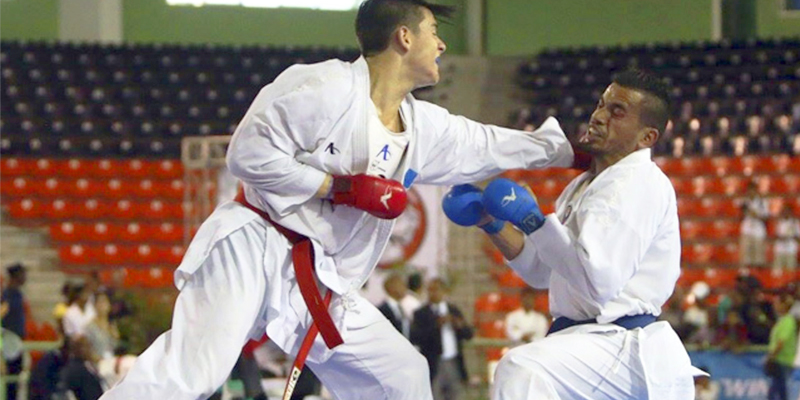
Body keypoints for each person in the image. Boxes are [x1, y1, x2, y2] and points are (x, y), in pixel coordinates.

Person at [99, 1, 580, 399]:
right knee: (193, 373)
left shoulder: (424, 128)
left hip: (321, 280)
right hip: (256, 242)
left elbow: (490, 144)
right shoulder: (323, 87)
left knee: (402, 377)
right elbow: (246, 154)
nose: (442, 43)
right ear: (404, 37)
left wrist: (573, 151)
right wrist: (340, 187)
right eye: (433, 30)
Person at [442, 69, 702, 399]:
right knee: (525, 367)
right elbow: (543, 271)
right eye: (601, 104)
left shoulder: (640, 183)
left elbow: (598, 285)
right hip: (589, 345)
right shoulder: (581, 186)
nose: (598, 116)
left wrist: (532, 220)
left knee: (521, 368)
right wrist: (491, 223)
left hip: (624, 346)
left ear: (646, 137)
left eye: (616, 111)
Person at [410, 278, 473, 400]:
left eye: (436, 290)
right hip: (433, 363)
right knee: (434, 395)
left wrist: (458, 325)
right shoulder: (421, 313)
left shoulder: (453, 310)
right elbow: (415, 337)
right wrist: (435, 326)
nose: (432, 293)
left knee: (456, 395)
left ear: (444, 291)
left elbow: (468, 335)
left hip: (453, 361)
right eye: (430, 290)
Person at [765, 294, 799, 400]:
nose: (774, 306)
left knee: (779, 391)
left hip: (782, 360)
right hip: (779, 360)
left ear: (783, 305)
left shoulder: (788, 321)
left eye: (777, 303)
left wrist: (771, 356)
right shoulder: (782, 320)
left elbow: (781, 342)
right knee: (776, 390)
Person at [2, 263, 27, 400]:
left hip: (16, 343)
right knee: (10, 384)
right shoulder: (8, 294)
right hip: (8, 344)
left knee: (16, 382)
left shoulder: (18, 293)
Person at [739, 180, 770, 267]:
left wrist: (756, 215)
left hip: (758, 232)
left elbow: (766, 217)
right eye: (749, 190)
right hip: (746, 231)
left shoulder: (762, 202)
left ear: (756, 190)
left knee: (758, 259)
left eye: (753, 190)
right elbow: (740, 214)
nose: (751, 192)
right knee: (745, 259)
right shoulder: (744, 202)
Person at [378, 272, 412, 337]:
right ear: (391, 287)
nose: (405, 288)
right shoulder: (382, 310)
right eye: (402, 284)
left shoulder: (401, 308)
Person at [773, 205, 800, 270]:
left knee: (790, 270)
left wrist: (791, 237)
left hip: (790, 250)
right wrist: (780, 238)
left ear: (791, 213)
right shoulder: (779, 222)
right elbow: (775, 236)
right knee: (778, 271)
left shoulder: (795, 223)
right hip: (780, 250)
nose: (786, 213)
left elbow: (798, 238)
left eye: (788, 212)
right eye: (785, 212)